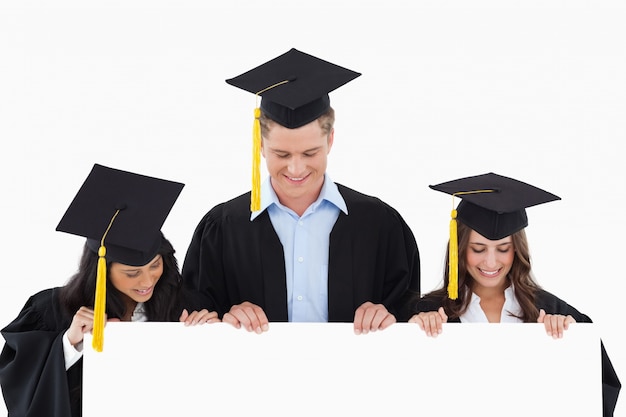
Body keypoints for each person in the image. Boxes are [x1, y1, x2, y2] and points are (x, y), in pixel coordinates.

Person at [182, 48, 420, 335]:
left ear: (330, 139)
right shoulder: (222, 228)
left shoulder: (379, 224)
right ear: (260, 144)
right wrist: (225, 319)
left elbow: (410, 316)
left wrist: (386, 317)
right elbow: (192, 320)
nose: (296, 169)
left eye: (310, 153)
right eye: (282, 154)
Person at [0, 164, 219, 417]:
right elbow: (18, 383)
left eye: (155, 265)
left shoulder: (187, 307)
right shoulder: (51, 309)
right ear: (101, 271)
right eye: (132, 273)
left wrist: (211, 341)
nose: (147, 280)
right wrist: (69, 345)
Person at [408, 172, 621, 416]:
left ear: (517, 249)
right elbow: (399, 390)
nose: (490, 261)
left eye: (503, 249)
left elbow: (597, 390)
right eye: (478, 249)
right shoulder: (430, 312)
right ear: (460, 249)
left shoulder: (552, 311)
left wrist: (571, 347)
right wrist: (408, 338)